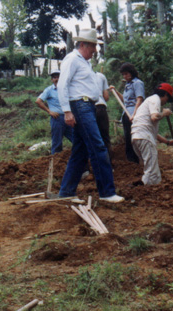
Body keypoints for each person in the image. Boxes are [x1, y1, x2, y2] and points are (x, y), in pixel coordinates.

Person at [56, 28, 123, 203]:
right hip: (80, 105)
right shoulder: (72, 59)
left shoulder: (85, 62)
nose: (95, 50)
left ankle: (66, 192)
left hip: (88, 106)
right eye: (93, 46)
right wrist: (67, 111)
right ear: (84, 44)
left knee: (80, 151)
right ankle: (107, 192)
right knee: (98, 146)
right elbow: (62, 85)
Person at [130, 83, 173, 186]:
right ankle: (151, 192)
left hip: (137, 137)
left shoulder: (148, 102)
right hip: (144, 137)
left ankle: (142, 188)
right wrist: (164, 113)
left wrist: (167, 142)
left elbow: (151, 131)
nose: (165, 102)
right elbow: (154, 117)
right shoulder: (155, 99)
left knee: (149, 169)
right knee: (153, 173)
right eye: (167, 99)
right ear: (165, 95)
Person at [111, 63, 145, 164]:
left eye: (126, 74)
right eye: (123, 74)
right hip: (126, 114)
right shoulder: (128, 85)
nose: (124, 76)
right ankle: (131, 161)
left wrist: (134, 114)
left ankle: (137, 160)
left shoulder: (137, 83)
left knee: (135, 138)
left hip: (135, 114)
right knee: (128, 138)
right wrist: (115, 91)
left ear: (131, 73)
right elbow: (124, 101)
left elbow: (139, 99)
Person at [36, 70, 73, 154]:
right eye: (54, 77)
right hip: (57, 118)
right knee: (57, 143)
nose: (56, 79)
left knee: (76, 139)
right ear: (52, 80)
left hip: (69, 117)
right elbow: (38, 101)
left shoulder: (67, 89)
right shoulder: (49, 90)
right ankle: (55, 162)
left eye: (58, 77)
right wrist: (49, 111)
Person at [94, 71, 112, 160]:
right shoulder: (101, 75)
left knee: (87, 138)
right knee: (105, 137)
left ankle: (86, 169)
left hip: (87, 107)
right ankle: (108, 164)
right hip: (101, 107)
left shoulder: (80, 74)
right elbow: (106, 97)